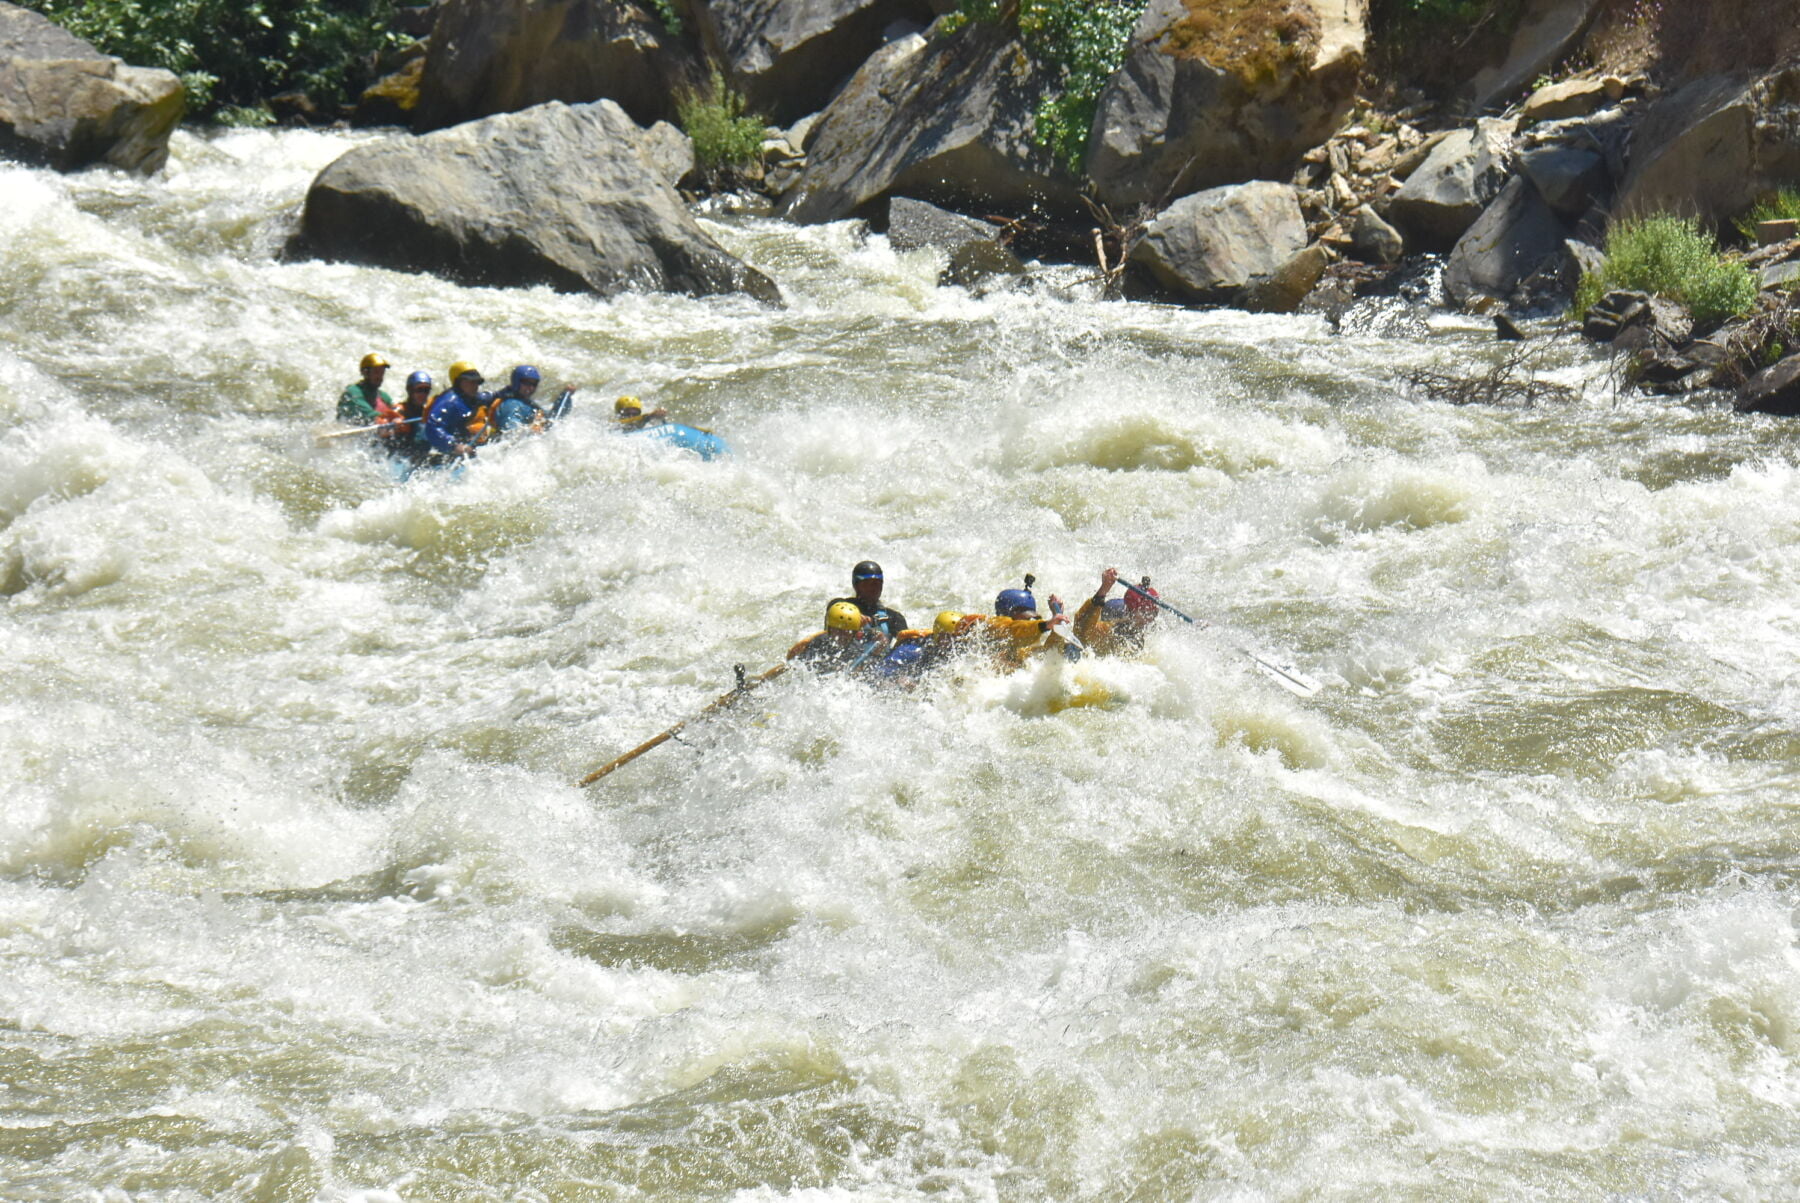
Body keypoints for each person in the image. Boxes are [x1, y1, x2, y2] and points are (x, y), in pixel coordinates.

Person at [1073, 567, 1159, 656]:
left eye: (1153, 613)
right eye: (1145, 613)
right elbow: (1083, 631)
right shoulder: (1113, 630)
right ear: (1131, 612)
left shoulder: (1151, 624)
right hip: (1109, 609)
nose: (1149, 619)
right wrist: (1103, 590)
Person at [787, 601, 888, 674]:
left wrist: (878, 648)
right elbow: (795, 665)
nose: (842, 636)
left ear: (854, 633)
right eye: (838, 631)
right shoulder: (818, 643)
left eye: (847, 631)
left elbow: (879, 641)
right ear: (830, 629)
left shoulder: (856, 646)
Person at [423, 361, 491, 460]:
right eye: (471, 381)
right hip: (449, 455)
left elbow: (490, 397)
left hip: (469, 448)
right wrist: (454, 446)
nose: (475, 385)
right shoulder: (449, 401)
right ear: (458, 382)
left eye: (476, 382)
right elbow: (432, 427)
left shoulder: (471, 397)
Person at [827, 561, 908, 642]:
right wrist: (855, 616)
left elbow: (906, 645)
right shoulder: (841, 606)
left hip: (878, 653)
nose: (873, 588)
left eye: (877, 583)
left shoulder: (894, 618)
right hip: (844, 653)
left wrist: (885, 643)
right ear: (856, 586)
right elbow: (834, 606)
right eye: (867, 584)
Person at [491, 365, 576, 437]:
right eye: (526, 383)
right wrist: (531, 431)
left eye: (534, 384)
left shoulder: (528, 404)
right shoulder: (511, 405)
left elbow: (553, 418)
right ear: (516, 382)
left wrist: (565, 397)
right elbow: (510, 434)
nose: (530, 388)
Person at [338, 353, 396, 425]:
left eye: (382, 373)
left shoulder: (383, 396)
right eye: (376, 372)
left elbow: (395, 410)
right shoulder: (352, 393)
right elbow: (368, 414)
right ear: (365, 373)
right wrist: (386, 418)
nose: (380, 377)